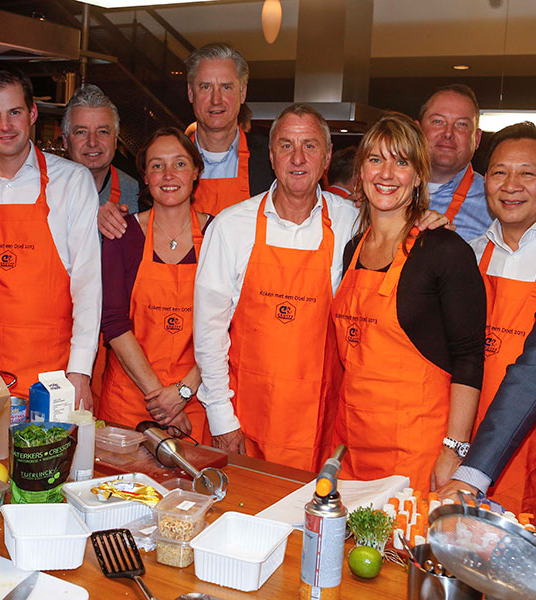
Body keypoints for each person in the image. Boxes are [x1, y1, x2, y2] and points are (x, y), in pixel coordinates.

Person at [193, 104, 450, 470]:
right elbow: (208, 334)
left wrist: (424, 220)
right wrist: (221, 419)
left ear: (327, 157)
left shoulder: (354, 223)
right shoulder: (232, 226)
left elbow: (398, 228)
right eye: (286, 145)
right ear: (271, 154)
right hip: (243, 423)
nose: (298, 158)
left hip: (323, 428)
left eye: (310, 146)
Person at [332, 112, 486, 494]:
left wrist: (454, 449)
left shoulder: (443, 249)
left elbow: (469, 356)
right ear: (360, 172)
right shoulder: (353, 248)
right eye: (376, 159)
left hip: (416, 450)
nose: (387, 173)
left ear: (418, 176)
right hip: (353, 445)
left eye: (401, 162)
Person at [0, 67, 101, 407]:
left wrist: (80, 371)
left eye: (14, 113)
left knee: (45, 458)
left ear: (32, 114)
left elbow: (87, 284)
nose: (5, 126)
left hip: (51, 376)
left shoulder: (72, 182)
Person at [440, 124, 536, 519]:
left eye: (528, 172)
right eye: (499, 172)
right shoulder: (464, 256)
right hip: (469, 438)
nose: (511, 185)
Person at [98, 127, 210, 441]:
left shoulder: (218, 235)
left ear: (196, 172)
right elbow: (114, 322)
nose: (168, 174)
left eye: (180, 164)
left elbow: (227, 327)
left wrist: (183, 392)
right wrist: (162, 400)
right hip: (130, 404)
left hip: (195, 402)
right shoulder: (123, 234)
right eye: (157, 166)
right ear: (145, 177)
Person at [186, 42, 274, 216]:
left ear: (242, 93)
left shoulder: (272, 159)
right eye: (206, 87)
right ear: (190, 93)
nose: (216, 99)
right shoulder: (167, 163)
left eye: (226, 87)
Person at [62, 84, 140, 241]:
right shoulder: (45, 190)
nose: (92, 142)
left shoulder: (136, 192)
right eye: (81, 132)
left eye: (102, 132)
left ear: (115, 140)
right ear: (65, 141)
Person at [418, 84, 492, 241]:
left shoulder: (496, 203)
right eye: (438, 121)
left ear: (477, 139)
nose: (448, 133)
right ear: (416, 131)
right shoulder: (382, 192)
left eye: (462, 124)